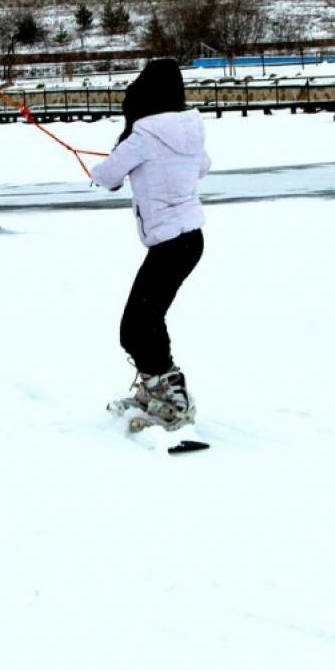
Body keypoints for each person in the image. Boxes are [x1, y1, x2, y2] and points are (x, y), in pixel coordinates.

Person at [90, 58, 210, 431]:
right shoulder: (190, 129)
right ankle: (154, 390)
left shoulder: (142, 135)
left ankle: (173, 399)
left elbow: (107, 176)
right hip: (189, 239)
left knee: (137, 324)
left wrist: (110, 167)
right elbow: (203, 166)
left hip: (171, 241)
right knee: (144, 320)